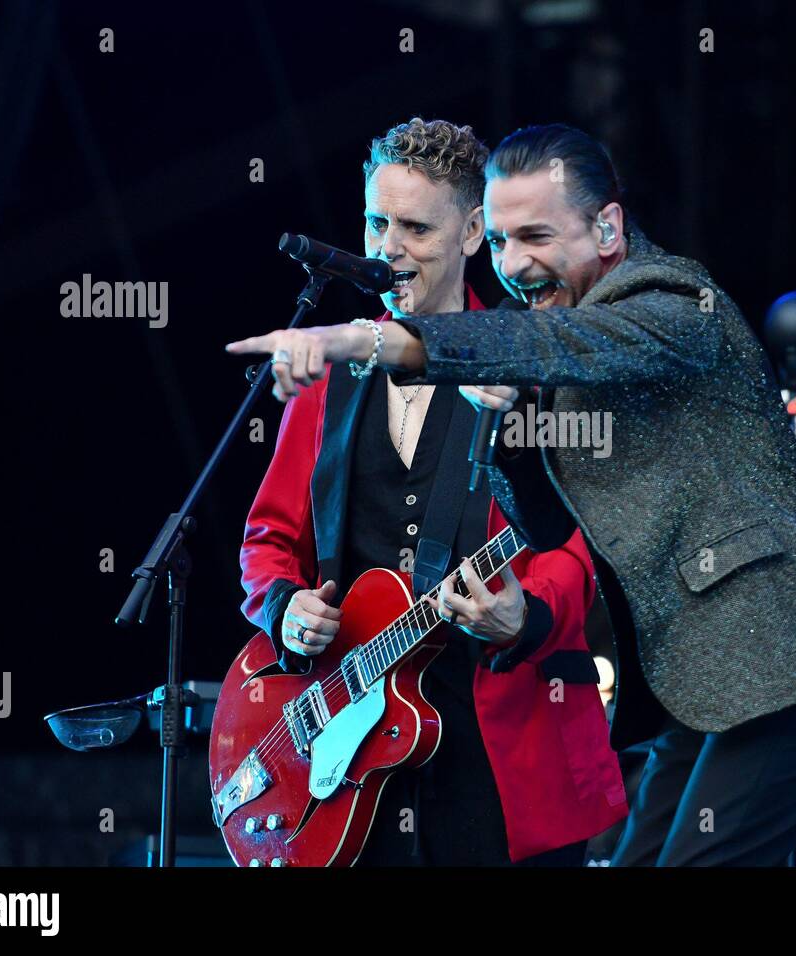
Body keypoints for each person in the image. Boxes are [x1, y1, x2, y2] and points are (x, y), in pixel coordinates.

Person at [228, 123, 796, 866]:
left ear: (609, 226)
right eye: (501, 242)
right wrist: (518, 426)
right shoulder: (553, 348)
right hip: (709, 680)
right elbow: (549, 519)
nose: (515, 264)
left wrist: (362, 342)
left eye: (535, 236)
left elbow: (560, 346)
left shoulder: (670, 299)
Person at [238, 118, 626, 866]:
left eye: (416, 226)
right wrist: (286, 610)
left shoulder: (537, 360)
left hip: (501, 743)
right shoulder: (330, 373)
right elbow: (267, 539)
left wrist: (527, 612)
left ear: (475, 232)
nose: (388, 246)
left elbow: (582, 532)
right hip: (356, 751)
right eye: (376, 222)